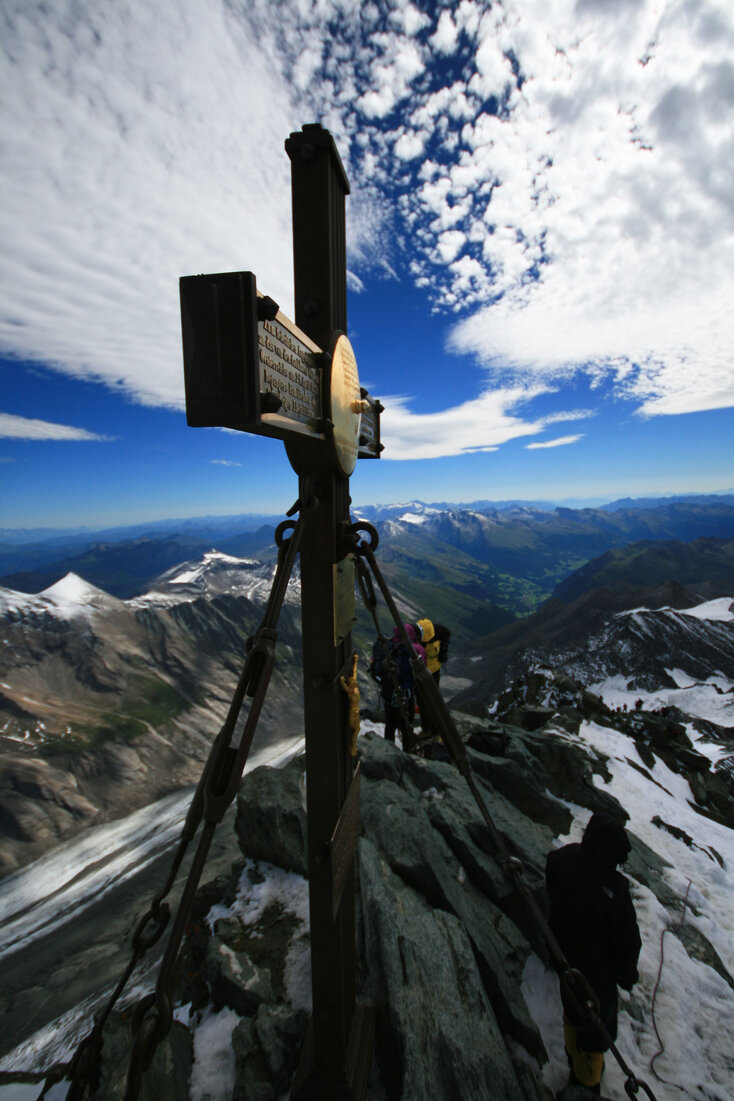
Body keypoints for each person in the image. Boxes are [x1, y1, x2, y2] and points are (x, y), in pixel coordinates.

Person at [545, 813, 641, 1096]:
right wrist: (627, 974)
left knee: (572, 1012)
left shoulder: (565, 858)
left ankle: (573, 1054)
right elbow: (627, 941)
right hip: (597, 979)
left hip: (565, 961)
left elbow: (552, 880)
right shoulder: (616, 891)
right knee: (597, 1030)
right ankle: (586, 1082)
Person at [369, 624, 425, 751]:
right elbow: (420, 672)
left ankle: (388, 750)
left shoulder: (386, 647)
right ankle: (408, 752)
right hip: (406, 693)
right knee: (406, 725)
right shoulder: (414, 650)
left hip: (388, 692)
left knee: (390, 724)